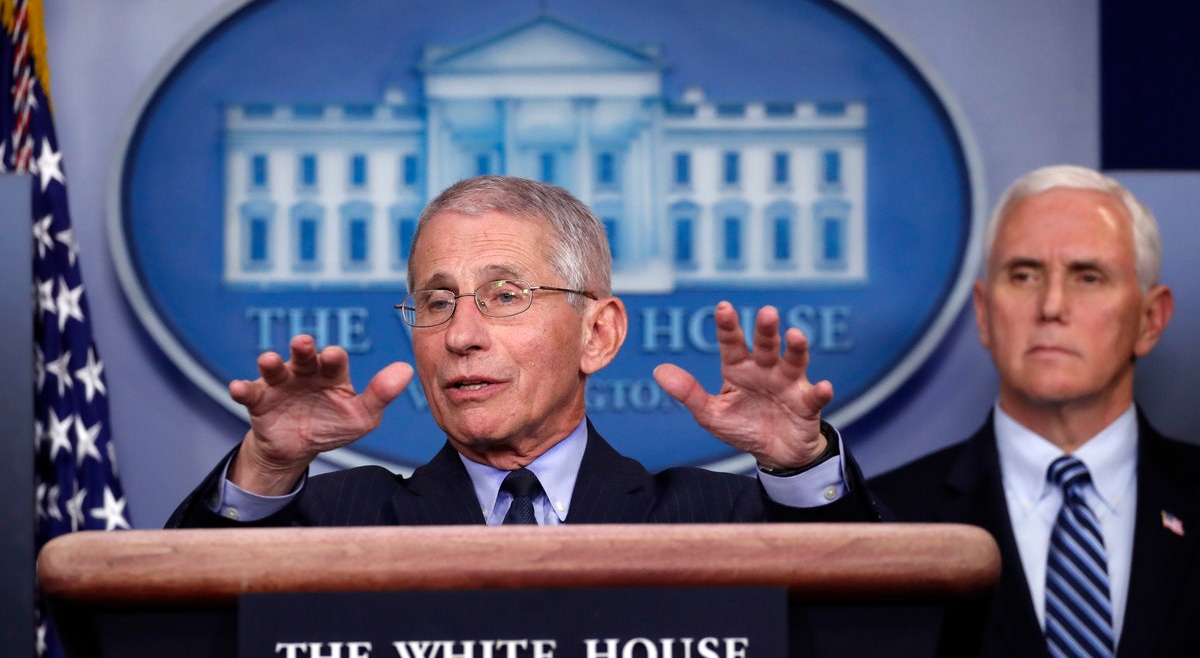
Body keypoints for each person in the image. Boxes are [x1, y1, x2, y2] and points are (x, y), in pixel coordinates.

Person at [168, 174, 880, 529]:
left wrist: (799, 466)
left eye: (504, 295)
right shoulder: (334, 521)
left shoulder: (717, 519)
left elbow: (866, 629)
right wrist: (268, 464)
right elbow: (184, 628)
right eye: (437, 301)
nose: (460, 334)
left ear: (596, 333)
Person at [871, 165, 1200, 657]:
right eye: (1023, 275)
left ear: (1150, 320)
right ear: (983, 313)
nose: (1051, 305)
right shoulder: (889, 522)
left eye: (1088, 277)